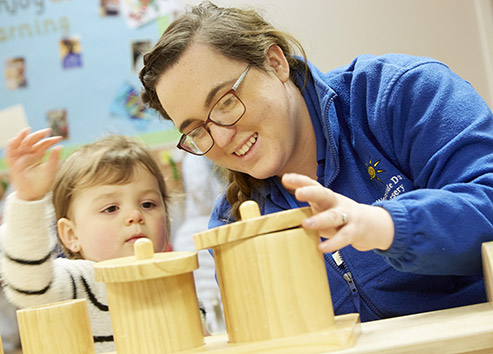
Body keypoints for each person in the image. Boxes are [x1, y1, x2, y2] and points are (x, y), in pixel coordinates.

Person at [139, 1, 493, 322]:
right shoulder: (234, 224)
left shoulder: (399, 94)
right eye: (198, 130)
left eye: (226, 102)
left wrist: (382, 225)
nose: (223, 137)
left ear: (275, 62)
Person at [0, 128, 171, 353]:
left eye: (148, 204)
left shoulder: (174, 280)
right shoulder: (78, 280)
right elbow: (29, 282)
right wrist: (29, 200)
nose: (135, 215)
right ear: (71, 235)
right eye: (111, 208)